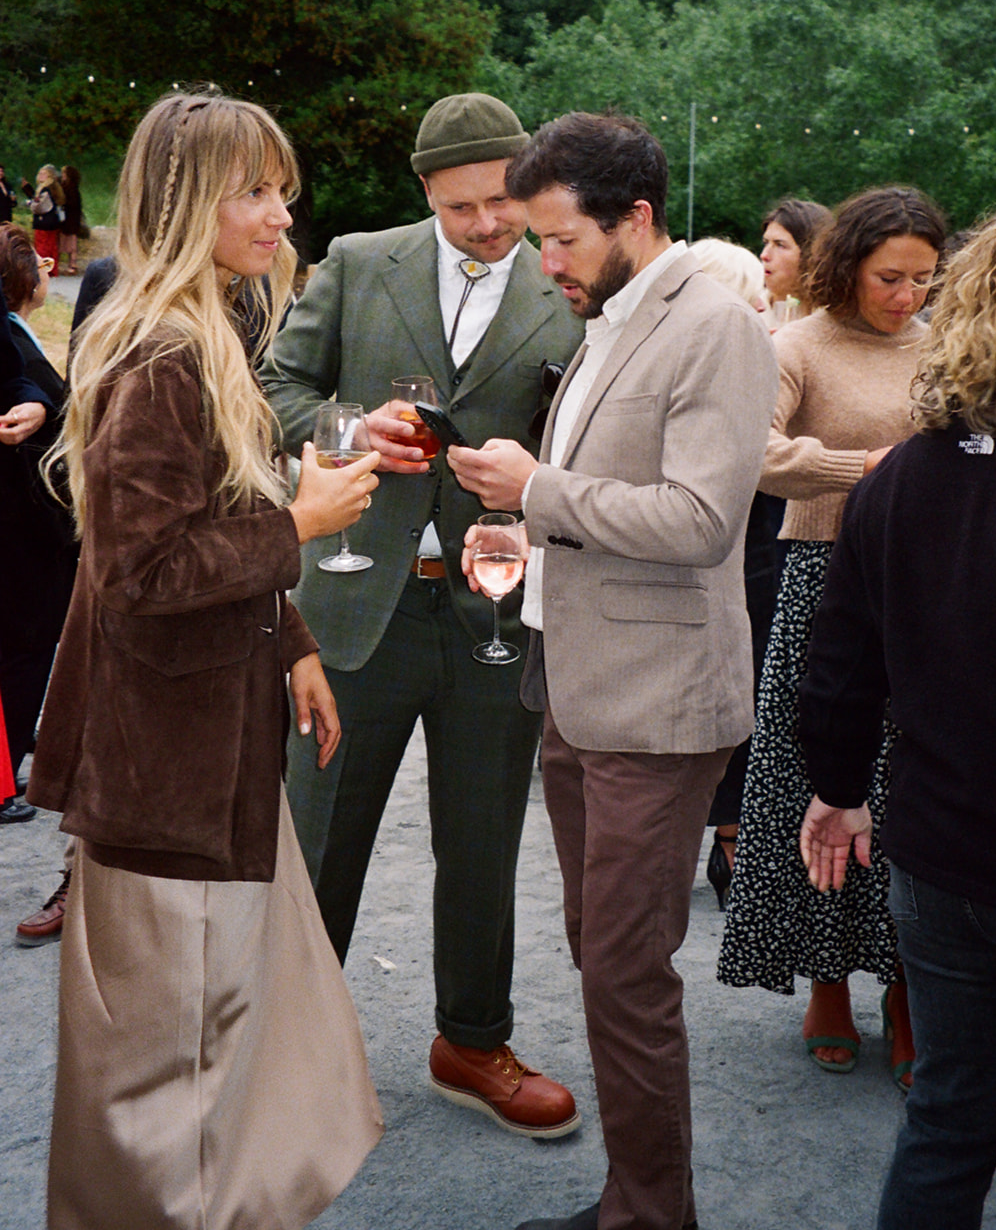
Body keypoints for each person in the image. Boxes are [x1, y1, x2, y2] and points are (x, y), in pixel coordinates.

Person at [26, 89, 384, 1230]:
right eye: (255, 191)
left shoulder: (205, 330)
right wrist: (302, 524)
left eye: (283, 190)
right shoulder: (161, 353)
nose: (281, 214)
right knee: (165, 1052)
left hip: (204, 744)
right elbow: (141, 569)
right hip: (164, 767)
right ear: (186, 204)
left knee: (216, 1026)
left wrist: (293, 643)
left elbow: (198, 524)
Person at [448, 111, 778, 1230]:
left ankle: (648, 1215)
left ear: (634, 218)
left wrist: (535, 490)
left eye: (560, 240)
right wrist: (521, 525)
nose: (544, 261)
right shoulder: (609, 314)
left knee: (627, 974)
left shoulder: (716, 326)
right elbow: (604, 495)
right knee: (602, 957)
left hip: (656, 705)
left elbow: (698, 519)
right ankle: (637, 1201)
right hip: (575, 686)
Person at [260, 92, 584, 1138]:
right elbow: (275, 388)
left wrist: (537, 479)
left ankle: (472, 1041)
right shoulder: (360, 262)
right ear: (424, 195)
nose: (487, 224)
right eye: (459, 207)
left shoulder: (569, 280)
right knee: (319, 836)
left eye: (503, 201)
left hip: (497, 606)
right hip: (356, 597)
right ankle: (284, 1050)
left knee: (484, 839)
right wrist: (353, 430)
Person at [798, 203, 996, 1229]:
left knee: (947, 1122)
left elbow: (839, 663)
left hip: (937, 863)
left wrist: (836, 790)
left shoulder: (902, 473)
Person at [718, 186, 946, 1089]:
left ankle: (906, 991)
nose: (907, 295)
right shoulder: (796, 345)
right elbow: (753, 454)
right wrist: (868, 470)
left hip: (931, 591)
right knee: (816, 784)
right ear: (848, 265)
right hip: (820, 581)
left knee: (912, 793)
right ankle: (826, 984)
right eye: (890, 277)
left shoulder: (947, 345)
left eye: (922, 278)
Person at [687, 238, 778, 909]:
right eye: (756, 302)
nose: (766, 314)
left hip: (750, 547)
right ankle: (730, 838)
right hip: (737, 551)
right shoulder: (732, 356)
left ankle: (730, 836)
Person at [0, 227, 77, 804]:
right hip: (27, 530)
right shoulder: (15, 338)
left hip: (31, 528)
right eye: (42, 265)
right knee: (24, 649)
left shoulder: (16, 339)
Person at [760, 196, 833, 325]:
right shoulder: (749, 310)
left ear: (812, 253)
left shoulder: (836, 319)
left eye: (780, 245)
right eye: (766, 243)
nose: (764, 255)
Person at [21, 165, 65, 266]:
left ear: (49, 176)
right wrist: (28, 189)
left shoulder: (45, 189)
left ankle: (44, 268)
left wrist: (30, 204)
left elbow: (40, 205)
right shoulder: (54, 187)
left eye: (44, 174)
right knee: (52, 247)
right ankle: (52, 268)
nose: (40, 175)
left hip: (44, 222)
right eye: (39, 173)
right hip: (52, 221)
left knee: (43, 248)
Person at [58, 164, 83, 273]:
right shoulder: (62, 186)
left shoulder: (72, 188)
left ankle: (72, 263)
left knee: (71, 241)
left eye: (64, 173)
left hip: (71, 218)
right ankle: (60, 263)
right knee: (62, 241)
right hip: (64, 218)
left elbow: (74, 204)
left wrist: (63, 203)